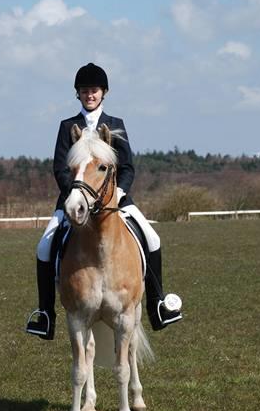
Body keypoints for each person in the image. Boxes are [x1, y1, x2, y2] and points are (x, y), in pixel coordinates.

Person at [25, 62, 183, 340]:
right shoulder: (66, 127)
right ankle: (45, 314)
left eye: (94, 90)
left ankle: (158, 305)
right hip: (74, 200)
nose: (90, 95)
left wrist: (119, 192)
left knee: (153, 238)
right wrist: (76, 194)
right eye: (84, 91)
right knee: (44, 246)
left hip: (115, 201)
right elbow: (60, 168)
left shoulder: (115, 125)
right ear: (78, 94)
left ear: (103, 92)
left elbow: (128, 167)